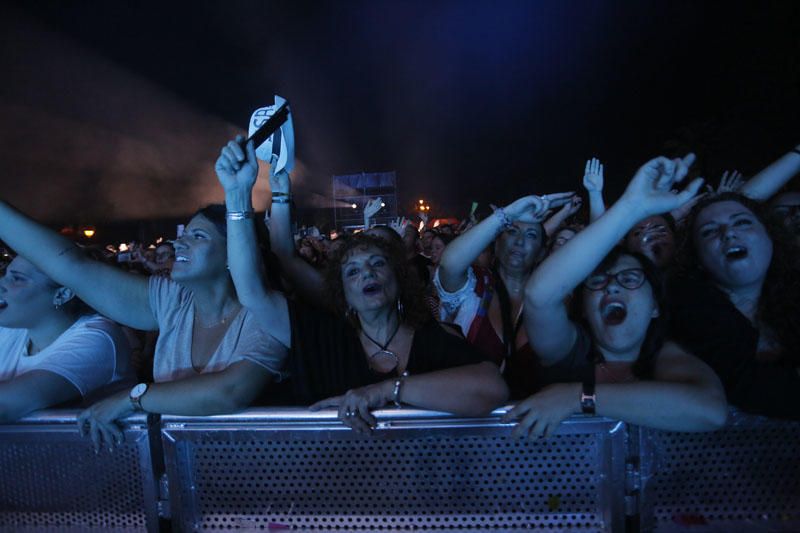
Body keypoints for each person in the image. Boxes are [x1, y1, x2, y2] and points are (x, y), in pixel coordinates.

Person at [216, 137, 509, 433]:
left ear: (400, 276)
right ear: (341, 290)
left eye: (378, 264)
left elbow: (492, 387)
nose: (367, 273)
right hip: (335, 474)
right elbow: (252, 292)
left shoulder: (431, 336)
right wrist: (238, 193)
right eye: (352, 271)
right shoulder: (320, 337)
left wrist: (384, 390)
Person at [0, 200, 289, 453]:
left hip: (259, 484)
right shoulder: (172, 301)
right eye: (184, 234)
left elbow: (229, 392)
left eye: (197, 236)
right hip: (185, 481)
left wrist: (133, 398)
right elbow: (72, 266)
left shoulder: (267, 313)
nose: (179, 243)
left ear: (234, 254)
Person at [505, 154, 727, 437]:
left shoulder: (663, 353)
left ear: (655, 306)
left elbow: (710, 409)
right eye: (598, 281)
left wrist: (578, 398)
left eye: (630, 279)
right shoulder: (568, 351)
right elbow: (539, 295)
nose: (612, 287)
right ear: (584, 307)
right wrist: (630, 208)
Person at [669, 192, 800, 419]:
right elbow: (749, 388)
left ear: (771, 236)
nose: (728, 233)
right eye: (709, 231)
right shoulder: (688, 310)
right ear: (697, 259)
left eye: (742, 222)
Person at [434, 191, 573, 365]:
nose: (520, 241)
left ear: (541, 253)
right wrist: (508, 214)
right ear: (497, 244)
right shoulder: (476, 284)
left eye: (531, 235)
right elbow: (449, 265)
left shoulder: (552, 295)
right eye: (512, 232)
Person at [0, 254, 132, 422]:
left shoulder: (97, 338)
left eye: (17, 278)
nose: (1, 283)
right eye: (5, 274)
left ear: (62, 294)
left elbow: (5, 406)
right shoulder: (12, 328)